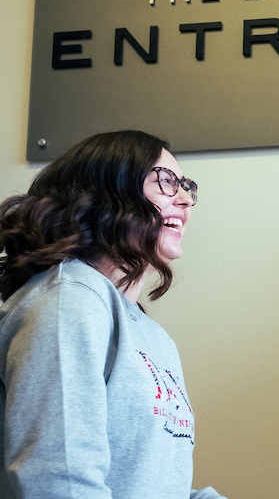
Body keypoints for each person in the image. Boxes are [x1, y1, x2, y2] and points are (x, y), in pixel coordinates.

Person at [0, 130, 224, 499]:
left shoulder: (152, 336)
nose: (186, 200)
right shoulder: (68, 301)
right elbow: (60, 483)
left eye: (186, 186)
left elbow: (158, 484)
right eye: (167, 182)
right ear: (108, 191)